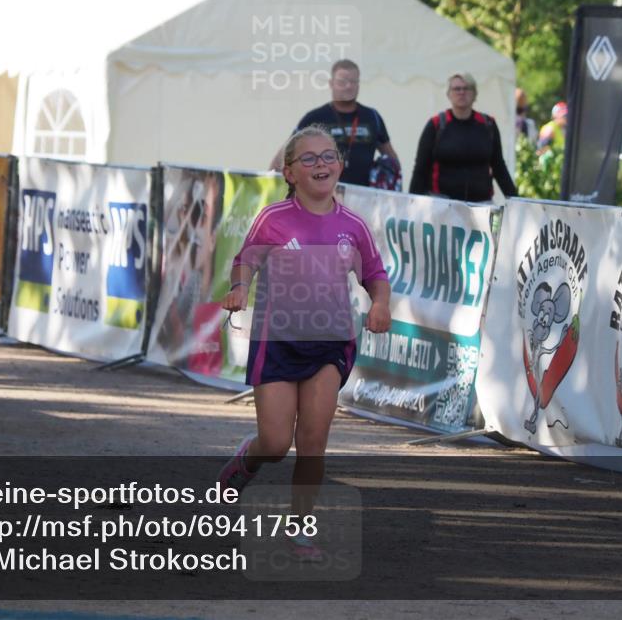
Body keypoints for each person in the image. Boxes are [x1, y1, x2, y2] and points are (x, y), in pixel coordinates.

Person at [221, 125, 391, 560]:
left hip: (331, 342)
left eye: (328, 156)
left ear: (340, 164)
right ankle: (248, 459)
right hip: (277, 341)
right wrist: (240, 288)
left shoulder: (352, 225)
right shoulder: (273, 219)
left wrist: (379, 304)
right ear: (289, 172)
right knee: (276, 444)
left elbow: (374, 273)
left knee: (313, 440)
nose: (321, 165)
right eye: (309, 159)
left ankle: (299, 528)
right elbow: (245, 262)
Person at [269, 59, 399, 186]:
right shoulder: (314, 118)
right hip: (323, 199)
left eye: (353, 81)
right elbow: (280, 161)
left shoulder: (372, 117)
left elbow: (393, 161)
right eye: (342, 82)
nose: (348, 86)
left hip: (364, 199)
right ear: (331, 83)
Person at [408, 72, 518, 202]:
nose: (461, 92)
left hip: (481, 205)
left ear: (474, 94)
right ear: (449, 94)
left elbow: (499, 166)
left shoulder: (488, 125)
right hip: (441, 204)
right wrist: (412, 202)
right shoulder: (436, 125)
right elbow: (421, 167)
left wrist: (516, 201)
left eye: (466, 88)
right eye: (456, 89)